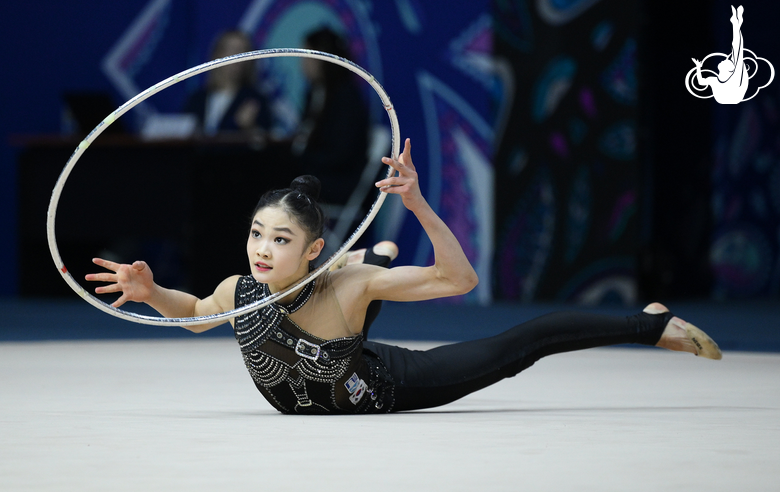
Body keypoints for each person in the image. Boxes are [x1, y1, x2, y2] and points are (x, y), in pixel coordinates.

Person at [86, 139, 721, 414]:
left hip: (385, 383)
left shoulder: (341, 284)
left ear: (313, 251)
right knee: (363, 281)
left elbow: (460, 279)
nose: (261, 249)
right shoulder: (239, 291)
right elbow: (197, 312)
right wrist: (151, 294)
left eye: (280, 240)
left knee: (517, 347)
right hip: (336, 320)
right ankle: (380, 253)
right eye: (257, 233)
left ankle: (651, 323)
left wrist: (417, 203)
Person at [292, 27, 370, 205]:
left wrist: (302, 162)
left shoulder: (346, 97)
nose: (302, 64)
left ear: (323, 57)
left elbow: (342, 153)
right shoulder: (314, 93)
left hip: (337, 180)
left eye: (306, 57)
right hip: (314, 173)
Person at [184, 30, 271, 135]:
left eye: (243, 51)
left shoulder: (255, 101)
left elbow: (266, 142)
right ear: (217, 55)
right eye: (231, 50)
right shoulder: (197, 99)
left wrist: (251, 128)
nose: (237, 56)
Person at [692, 5, 748, 104]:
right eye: (728, 60)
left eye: (728, 61)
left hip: (733, 96)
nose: (725, 59)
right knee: (737, 51)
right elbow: (701, 82)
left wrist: (736, 26)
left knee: (737, 51)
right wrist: (698, 67)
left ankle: (736, 23)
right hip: (728, 97)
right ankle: (736, 23)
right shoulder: (715, 80)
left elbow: (737, 49)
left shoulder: (733, 78)